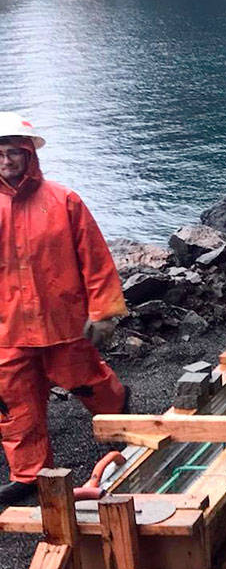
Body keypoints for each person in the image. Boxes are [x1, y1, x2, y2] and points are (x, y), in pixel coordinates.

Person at [0, 114, 129, 507]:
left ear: (28, 155)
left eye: (13, 153)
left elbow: (94, 259)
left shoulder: (64, 201)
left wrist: (103, 311)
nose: (5, 161)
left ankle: (121, 419)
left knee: (89, 382)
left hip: (65, 324)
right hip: (7, 332)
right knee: (14, 406)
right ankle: (29, 475)